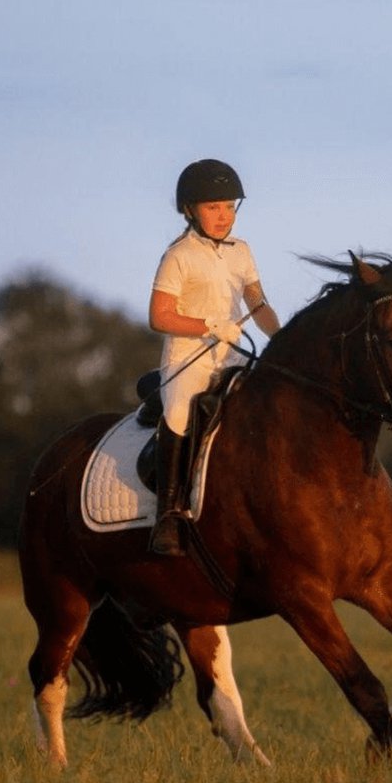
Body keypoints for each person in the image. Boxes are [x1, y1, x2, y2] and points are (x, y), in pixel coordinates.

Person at [147, 159, 281, 556]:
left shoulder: (242, 251)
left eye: (228, 207)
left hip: (232, 356)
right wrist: (209, 324)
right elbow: (159, 316)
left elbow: (258, 304)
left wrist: (281, 336)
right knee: (179, 414)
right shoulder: (178, 255)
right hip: (188, 357)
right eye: (212, 208)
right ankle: (168, 515)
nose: (223, 216)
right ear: (190, 210)